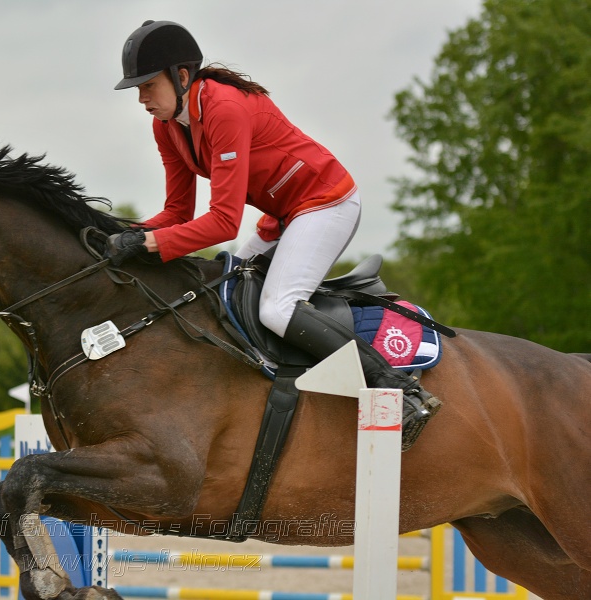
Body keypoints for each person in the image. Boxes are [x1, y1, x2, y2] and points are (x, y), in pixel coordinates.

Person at [107, 20, 441, 450]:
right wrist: (120, 235)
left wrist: (151, 244)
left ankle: (397, 388)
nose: (141, 98)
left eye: (148, 85)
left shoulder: (224, 108)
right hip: (282, 216)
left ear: (182, 76)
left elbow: (224, 223)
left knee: (278, 310)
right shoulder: (168, 126)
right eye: (137, 89)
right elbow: (177, 212)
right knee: (222, 293)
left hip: (326, 202)